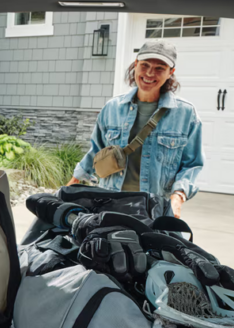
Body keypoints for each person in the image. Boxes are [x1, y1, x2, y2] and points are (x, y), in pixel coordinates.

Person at [67, 40, 204, 218]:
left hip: (156, 208)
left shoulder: (186, 114)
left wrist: (178, 196)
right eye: (145, 65)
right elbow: (96, 150)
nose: (149, 73)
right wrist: (72, 183)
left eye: (159, 68)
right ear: (136, 65)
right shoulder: (112, 108)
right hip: (111, 203)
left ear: (171, 72)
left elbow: (192, 164)